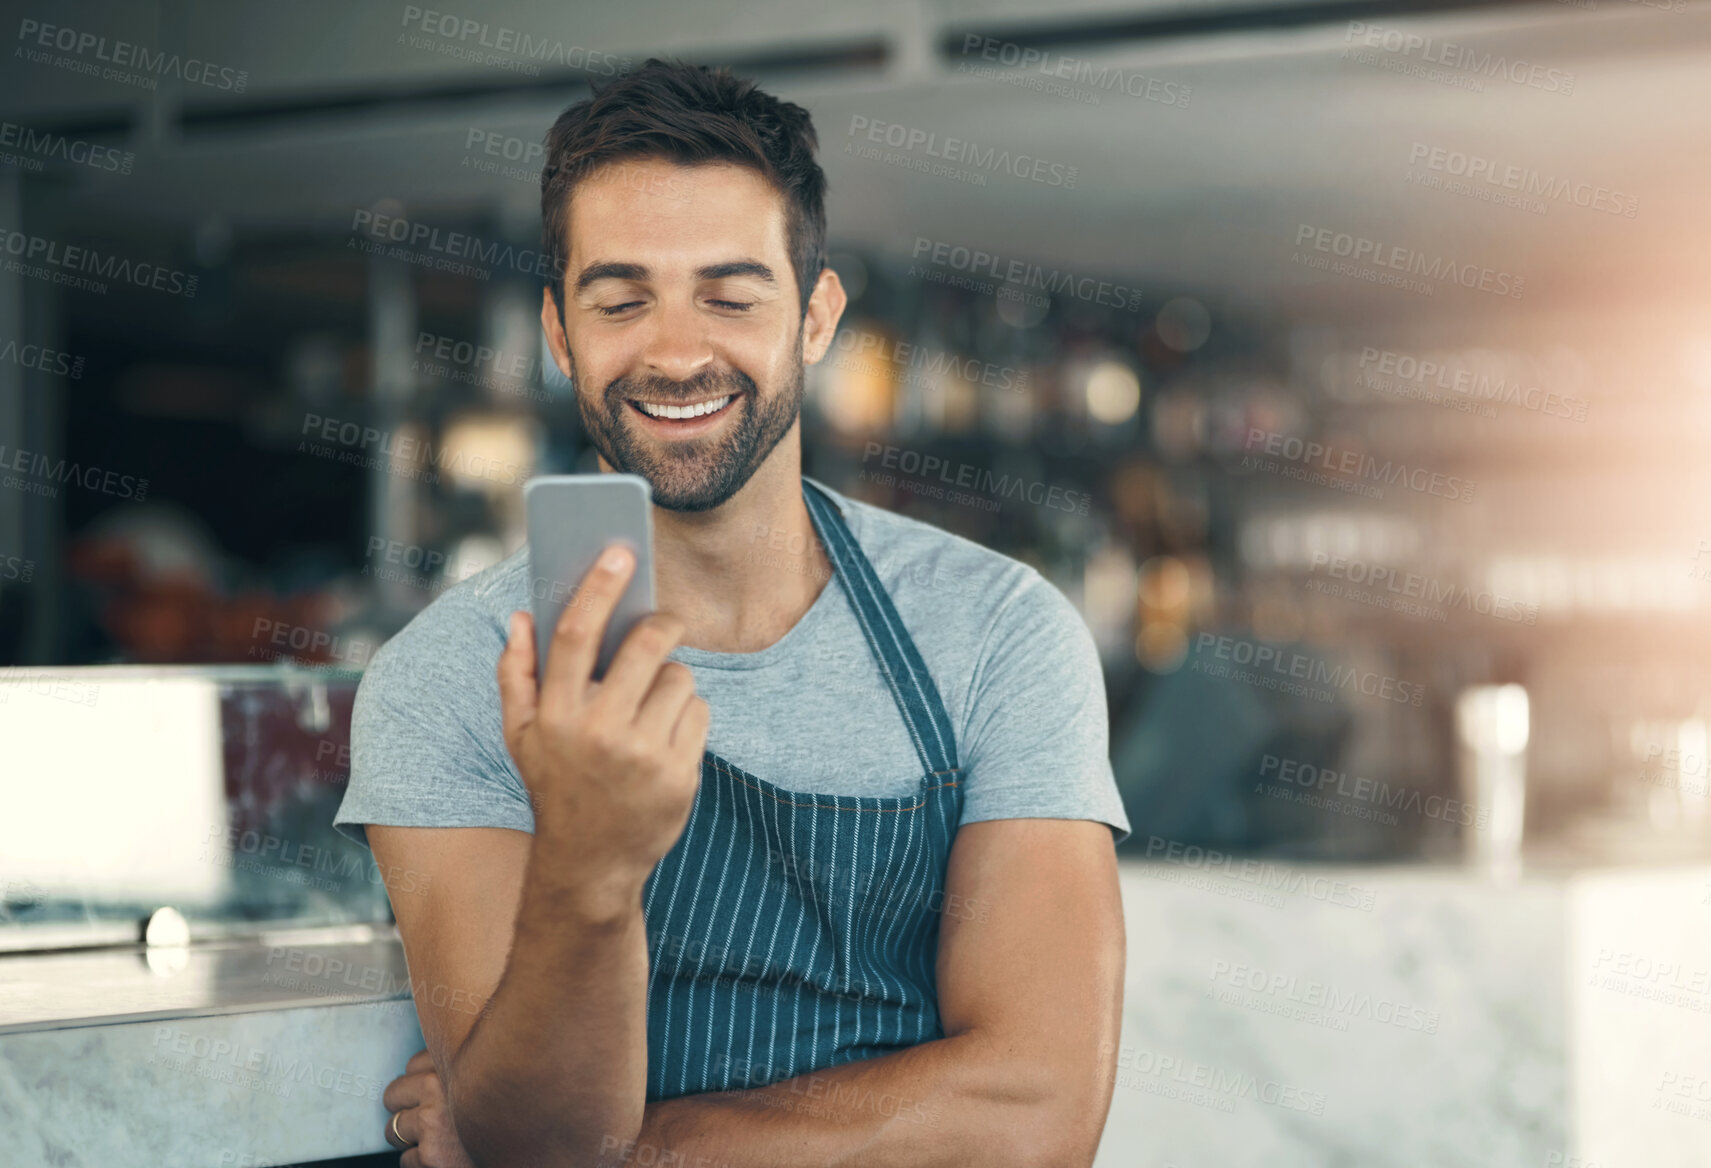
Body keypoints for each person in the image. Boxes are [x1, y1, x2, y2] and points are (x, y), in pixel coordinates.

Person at [333, 57, 1130, 1168]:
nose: (673, 351)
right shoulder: (448, 678)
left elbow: (1035, 1112)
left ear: (813, 318)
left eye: (729, 294)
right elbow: (541, 1141)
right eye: (620, 301)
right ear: (560, 336)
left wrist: (646, 1150)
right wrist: (591, 866)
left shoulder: (995, 631)